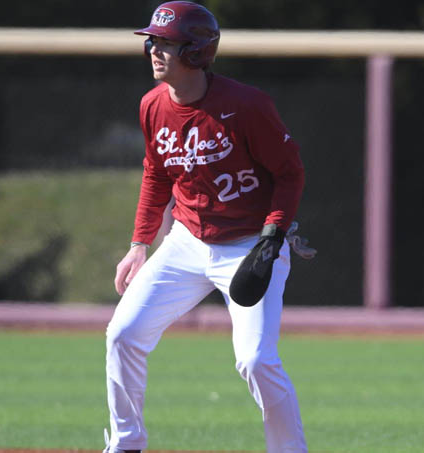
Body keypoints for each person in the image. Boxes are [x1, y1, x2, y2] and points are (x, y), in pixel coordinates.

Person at [104, 2, 310, 452]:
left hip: (250, 244)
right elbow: (156, 174)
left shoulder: (246, 105)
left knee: (255, 360)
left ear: (196, 51)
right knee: (123, 334)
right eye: (152, 42)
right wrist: (139, 243)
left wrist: (273, 236)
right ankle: (126, 443)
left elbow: (290, 173)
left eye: (166, 44)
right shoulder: (152, 105)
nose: (154, 51)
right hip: (187, 241)